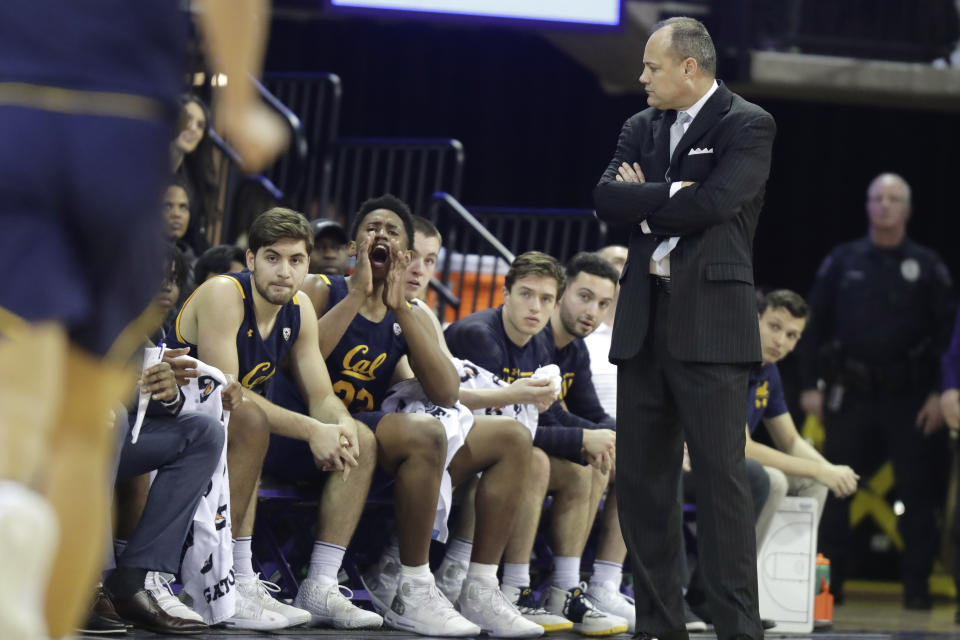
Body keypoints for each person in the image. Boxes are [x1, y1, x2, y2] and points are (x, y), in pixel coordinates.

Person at [0, 1, 287, 637]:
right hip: (121, 122)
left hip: (12, 105)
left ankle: (10, 511)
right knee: (83, 426)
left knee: (19, 381)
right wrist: (238, 102)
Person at [593, 16, 776, 640]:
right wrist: (669, 198)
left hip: (714, 329)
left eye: (652, 67)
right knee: (644, 490)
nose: (642, 78)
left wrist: (647, 205)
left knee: (723, 489)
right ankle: (658, 629)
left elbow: (717, 204)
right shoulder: (639, 126)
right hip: (644, 323)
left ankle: (736, 631)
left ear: (688, 68)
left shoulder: (747, 123)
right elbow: (605, 199)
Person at [269, 196, 487, 637]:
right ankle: (395, 581)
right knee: (412, 435)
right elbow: (297, 363)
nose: (381, 236)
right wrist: (355, 296)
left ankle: (425, 584)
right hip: (296, 435)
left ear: (405, 256)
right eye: (372, 228)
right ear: (354, 246)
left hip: (357, 449)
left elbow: (446, 392)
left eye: (392, 232)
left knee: (466, 437)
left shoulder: (405, 312)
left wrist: (402, 309)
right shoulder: (320, 287)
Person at [172, 207, 382, 631]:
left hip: (234, 437)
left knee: (359, 434)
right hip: (175, 424)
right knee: (249, 422)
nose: (285, 271)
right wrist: (311, 429)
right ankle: (223, 579)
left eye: (296, 260)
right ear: (251, 260)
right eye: (273, 258)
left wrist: (337, 427)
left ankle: (311, 583)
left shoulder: (300, 307)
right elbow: (227, 396)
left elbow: (321, 394)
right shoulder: (223, 294)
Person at [445, 251, 626, 637]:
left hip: (493, 451)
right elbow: (502, 429)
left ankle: (567, 586)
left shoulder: (546, 345)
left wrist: (613, 439)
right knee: (534, 459)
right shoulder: (483, 335)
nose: (536, 306)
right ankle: (512, 586)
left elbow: (560, 416)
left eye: (545, 299)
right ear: (505, 293)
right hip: (447, 449)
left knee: (590, 463)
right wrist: (585, 438)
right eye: (527, 294)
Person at [797, 172, 955, 609]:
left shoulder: (926, 265)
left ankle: (917, 591)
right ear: (867, 206)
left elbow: (948, 337)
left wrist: (940, 394)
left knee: (918, 496)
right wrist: (810, 385)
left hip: (911, 398)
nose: (884, 205)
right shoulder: (844, 260)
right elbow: (811, 324)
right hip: (850, 394)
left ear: (907, 208)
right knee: (835, 491)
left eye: (893, 199)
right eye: (877, 198)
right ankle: (828, 592)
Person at [103, 347, 223, 635]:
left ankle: (131, 582)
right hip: (34, 423)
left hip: (101, 431)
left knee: (204, 433)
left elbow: (146, 401)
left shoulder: (129, 319)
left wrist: (165, 392)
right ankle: (88, 584)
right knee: (111, 419)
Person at [747, 290, 860, 549]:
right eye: (774, 327)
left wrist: (831, 472)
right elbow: (742, 447)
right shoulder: (732, 362)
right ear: (755, 320)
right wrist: (821, 469)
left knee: (814, 483)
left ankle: (786, 580)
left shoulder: (770, 371)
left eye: (792, 336)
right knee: (773, 481)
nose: (780, 341)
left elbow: (789, 440)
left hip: (735, 465)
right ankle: (741, 579)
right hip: (694, 463)